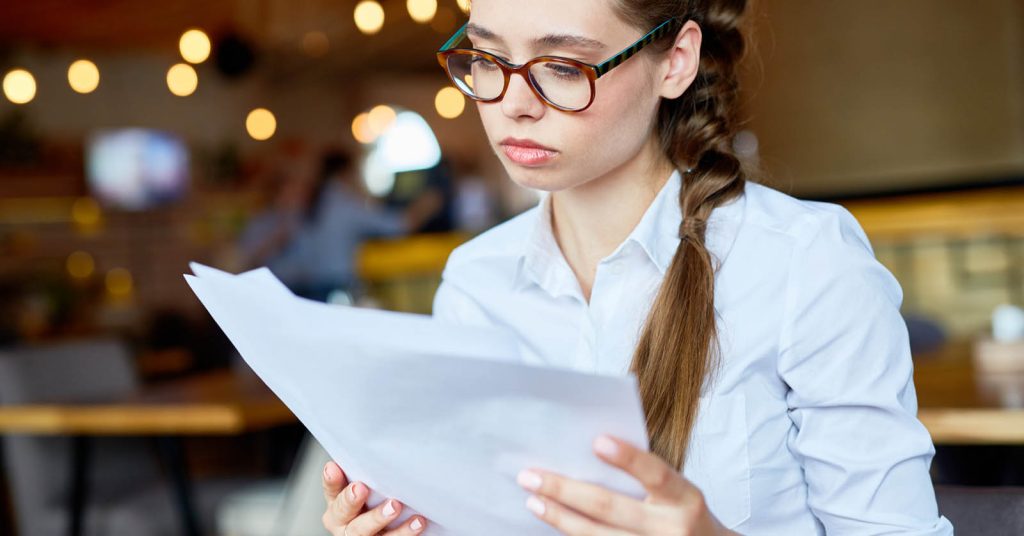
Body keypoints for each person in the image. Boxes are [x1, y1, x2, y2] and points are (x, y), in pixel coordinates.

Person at [321, 0, 955, 534]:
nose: (512, 103)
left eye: (564, 66)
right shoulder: (476, 282)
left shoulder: (802, 262)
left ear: (674, 61)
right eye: (487, 60)